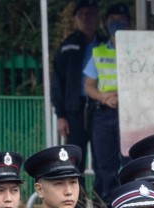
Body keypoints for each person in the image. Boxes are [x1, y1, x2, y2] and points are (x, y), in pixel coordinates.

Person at [83, 3, 130, 204]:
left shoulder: (136, 50)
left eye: (119, 20)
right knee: (105, 164)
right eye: (112, 20)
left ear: (128, 22)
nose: (115, 23)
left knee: (129, 161)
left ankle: (129, 201)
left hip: (129, 113)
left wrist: (118, 95)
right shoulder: (99, 52)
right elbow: (89, 86)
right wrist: (104, 97)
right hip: (104, 113)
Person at [51, 0, 103, 165]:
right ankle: (76, 191)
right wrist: (61, 115)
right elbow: (57, 82)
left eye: (90, 13)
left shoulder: (105, 43)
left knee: (103, 157)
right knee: (74, 158)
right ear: (75, 19)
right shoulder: (67, 46)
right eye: (81, 14)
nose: (86, 18)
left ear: (97, 17)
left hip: (100, 107)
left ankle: (101, 192)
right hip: (74, 110)